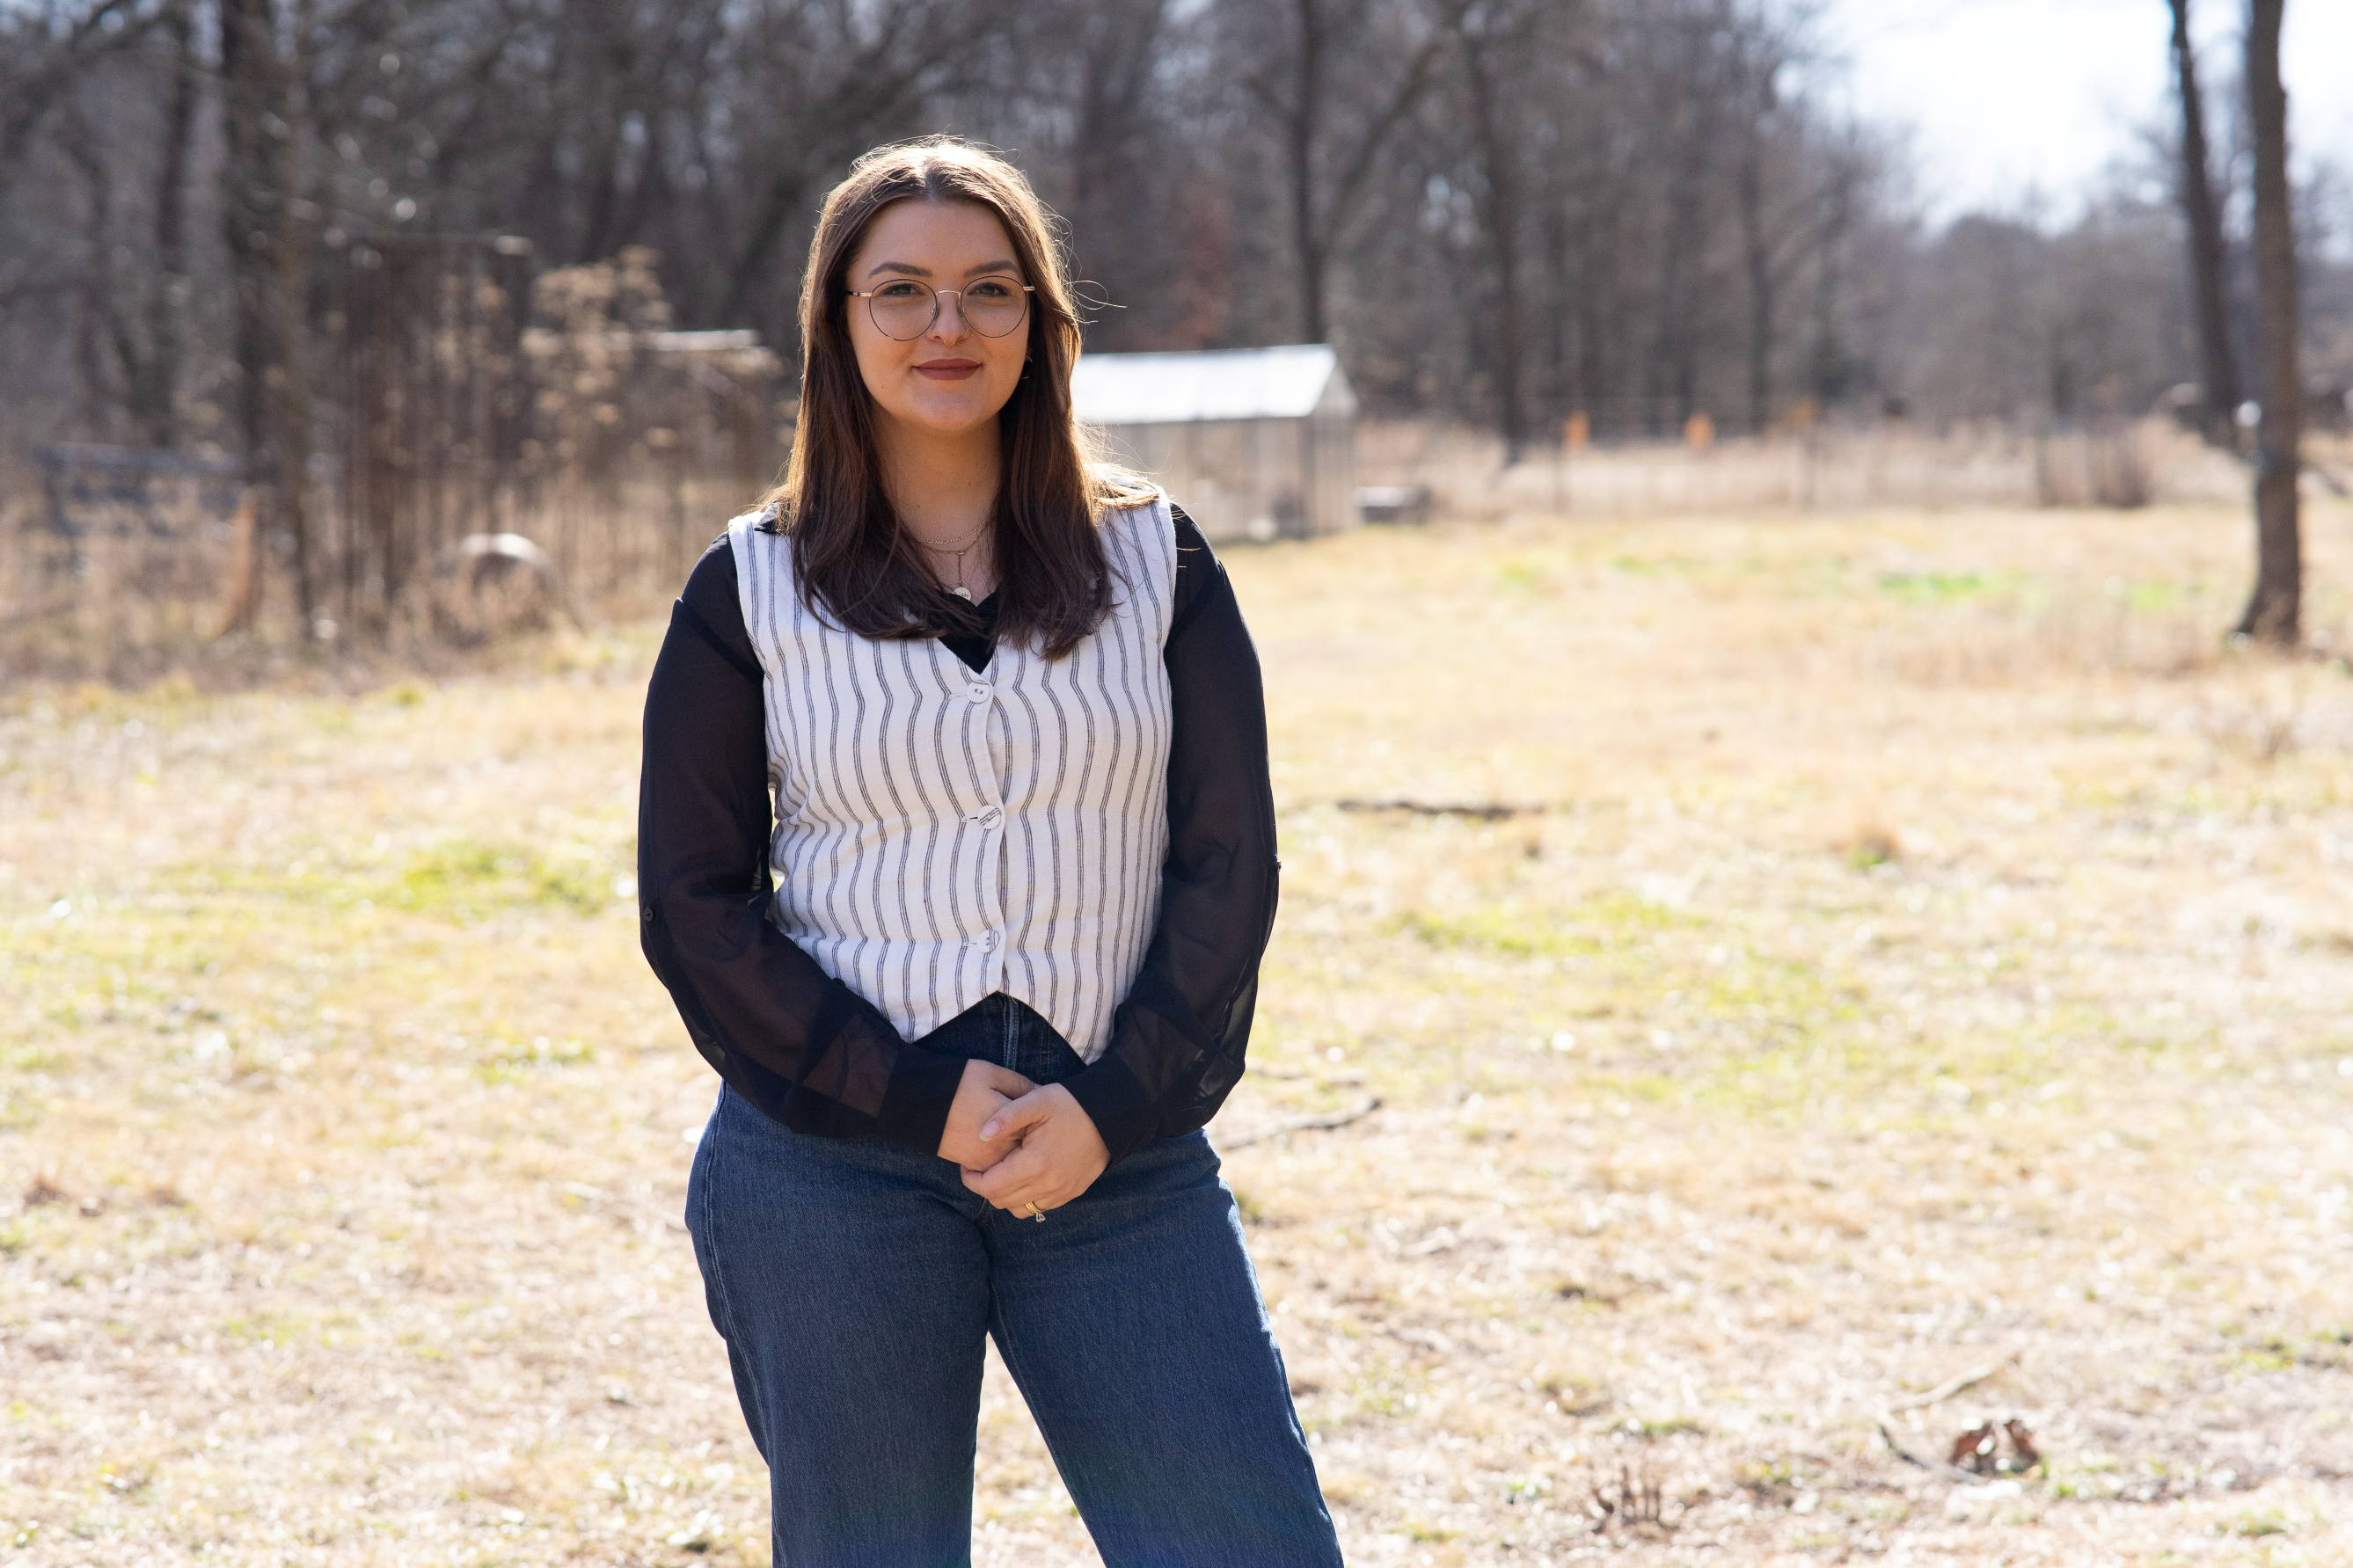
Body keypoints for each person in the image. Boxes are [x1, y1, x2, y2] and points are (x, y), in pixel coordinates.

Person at [635, 137, 1343, 1568]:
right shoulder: (747, 589)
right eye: (898, 291)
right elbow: (694, 909)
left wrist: (1110, 1105)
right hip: (832, 1169)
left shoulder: (1159, 564)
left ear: (1042, 322)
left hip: (1117, 1156)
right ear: (837, 324)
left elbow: (1227, 868)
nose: (944, 327)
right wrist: (912, 1098)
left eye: (987, 290)